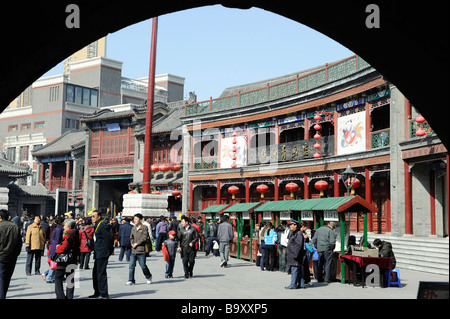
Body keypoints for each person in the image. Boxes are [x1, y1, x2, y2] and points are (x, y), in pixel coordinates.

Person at [89, 210, 113, 299]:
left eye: (93, 216)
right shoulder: (96, 226)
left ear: (99, 217)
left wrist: (109, 251)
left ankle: (104, 294)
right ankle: (97, 292)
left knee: (101, 274)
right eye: (91, 216)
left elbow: (109, 238)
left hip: (102, 253)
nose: (92, 218)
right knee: (95, 273)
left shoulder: (102, 225)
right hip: (98, 252)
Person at [54, 218, 80, 299]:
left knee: (58, 278)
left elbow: (64, 248)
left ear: (69, 227)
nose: (64, 227)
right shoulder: (76, 233)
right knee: (70, 280)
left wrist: (58, 247)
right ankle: (69, 297)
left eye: (65, 226)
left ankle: (60, 296)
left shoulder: (68, 235)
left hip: (64, 261)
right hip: (73, 259)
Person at [0, 209, 22, 299]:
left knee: (1, 278)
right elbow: (19, 244)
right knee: (6, 279)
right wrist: (15, 254)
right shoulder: (15, 227)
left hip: (1, 256)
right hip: (11, 257)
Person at [126, 213, 152, 285]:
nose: (135, 220)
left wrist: (136, 243)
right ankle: (131, 280)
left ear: (140, 220)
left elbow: (144, 238)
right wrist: (132, 243)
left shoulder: (144, 227)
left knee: (143, 266)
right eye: (134, 219)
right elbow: (131, 237)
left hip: (141, 250)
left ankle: (149, 276)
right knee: (131, 266)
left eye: (136, 219)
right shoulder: (133, 228)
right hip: (133, 250)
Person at [285, 219, 305, 289]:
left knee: (294, 270)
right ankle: (301, 284)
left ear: (295, 226)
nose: (290, 226)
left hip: (295, 255)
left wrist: (295, 254)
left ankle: (293, 285)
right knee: (298, 270)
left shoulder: (298, 233)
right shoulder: (294, 233)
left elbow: (298, 245)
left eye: (291, 225)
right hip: (294, 254)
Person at [46, 216, 65, 283]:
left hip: (53, 246)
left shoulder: (56, 228)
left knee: (54, 263)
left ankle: (52, 277)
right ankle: (49, 277)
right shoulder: (59, 229)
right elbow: (57, 239)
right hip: (55, 247)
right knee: (54, 263)